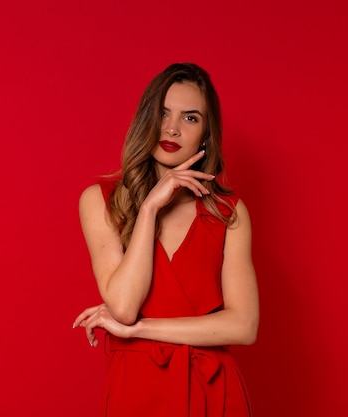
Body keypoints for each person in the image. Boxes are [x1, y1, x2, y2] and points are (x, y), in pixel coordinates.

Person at [73, 63, 259, 417]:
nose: (171, 127)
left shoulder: (227, 212)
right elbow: (124, 305)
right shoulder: (100, 200)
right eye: (162, 113)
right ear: (147, 119)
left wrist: (141, 329)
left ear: (206, 133)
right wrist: (149, 209)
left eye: (190, 118)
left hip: (214, 392)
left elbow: (244, 325)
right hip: (135, 390)